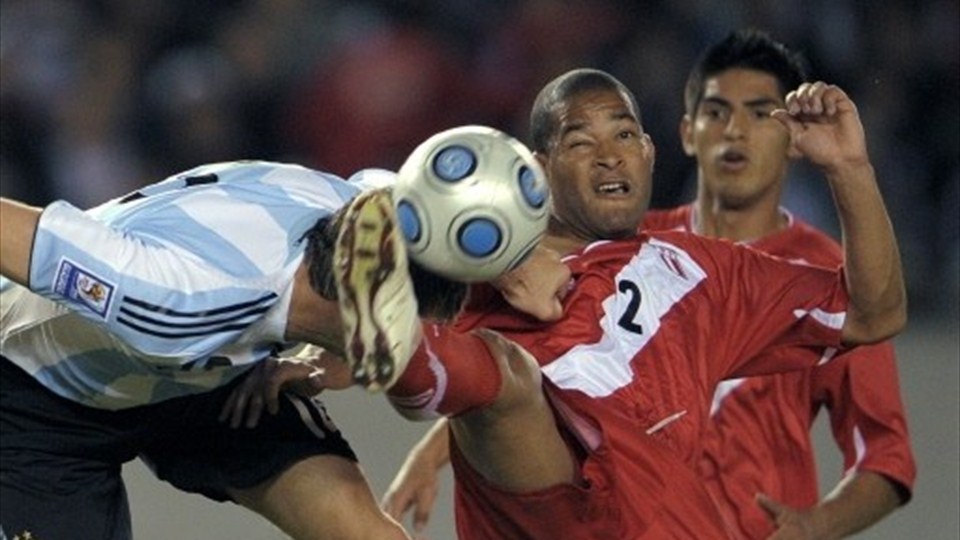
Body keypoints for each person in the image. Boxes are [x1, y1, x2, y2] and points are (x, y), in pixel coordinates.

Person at [380, 32, 918, 540]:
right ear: (538, 171)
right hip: (561, 501)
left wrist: (850, 167)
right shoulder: (486, 257)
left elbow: (876, 316)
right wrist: (503, 261)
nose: (609, 154)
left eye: (623, 134)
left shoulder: (707, 272)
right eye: (580, 142)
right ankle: (401, 349)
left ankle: (403, 350)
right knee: (507, 377)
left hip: (680, 517)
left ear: (650, 150)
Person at [0, 162, 466, 540]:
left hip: (215, 376)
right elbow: (30, 240)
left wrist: (333, 359)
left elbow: (388, 187)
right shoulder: (177, 300)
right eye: (406, 326)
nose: (413, 346)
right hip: (39, 400)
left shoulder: (358, 213)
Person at [643, 29, 915, 539]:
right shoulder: (633, 251)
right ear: (686, 131)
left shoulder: (831, 277)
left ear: (793, 137)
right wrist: (445, 443)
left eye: (760, 113)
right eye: (717, 111)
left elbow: (885, 452)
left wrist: (817, 526)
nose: (735, 131)